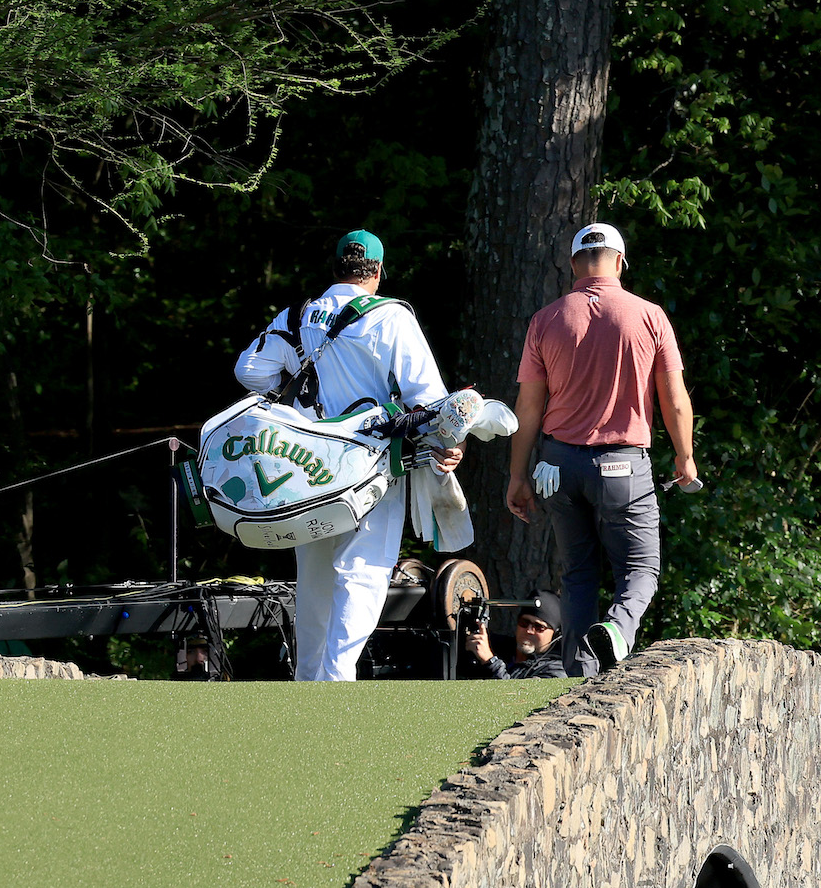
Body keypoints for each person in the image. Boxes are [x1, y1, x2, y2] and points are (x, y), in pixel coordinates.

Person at [234, 230, 466, 681]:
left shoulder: (298, 315)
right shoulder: (390, 317)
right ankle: (337, 681)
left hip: (304, 469)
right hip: (370, 467)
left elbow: (248, 369)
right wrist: (448, 444)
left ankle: (308, 682)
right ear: (377, 271)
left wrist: (287, 401)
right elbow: (431, 399)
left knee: (315, 581)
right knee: (363, 571)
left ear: (336, 268)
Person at [504, 223, 700, 676]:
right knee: (640, 569)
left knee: (577, 575)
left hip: (556, 466)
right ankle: (617, 628)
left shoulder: (546, 319)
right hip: (622, 466)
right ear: (619, 261)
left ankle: (575, 676)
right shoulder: (650, 316)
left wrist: (517, 476)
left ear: (574, 264)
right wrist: (685, 454)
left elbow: (528, 408)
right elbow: (674, 399)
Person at [460, 592, 571, 679]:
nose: (529, 630)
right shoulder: (496, 646)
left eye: (539, 627)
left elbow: (516, 700)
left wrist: (490, 661)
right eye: (524, 622)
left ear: (555, 634)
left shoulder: (555, 672)